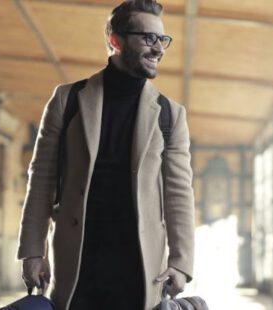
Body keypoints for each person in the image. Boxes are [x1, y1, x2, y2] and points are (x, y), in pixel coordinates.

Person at [16, 1, 195, 309]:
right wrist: (33, 250)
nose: (158, 48)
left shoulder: (170, 115)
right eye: (148, 38)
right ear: (115, 41)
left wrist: (181, 262)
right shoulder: (67, 100)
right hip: (77, 262)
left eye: (162, 39)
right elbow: (41, 177)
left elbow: (179, 193)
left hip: (140, 265)